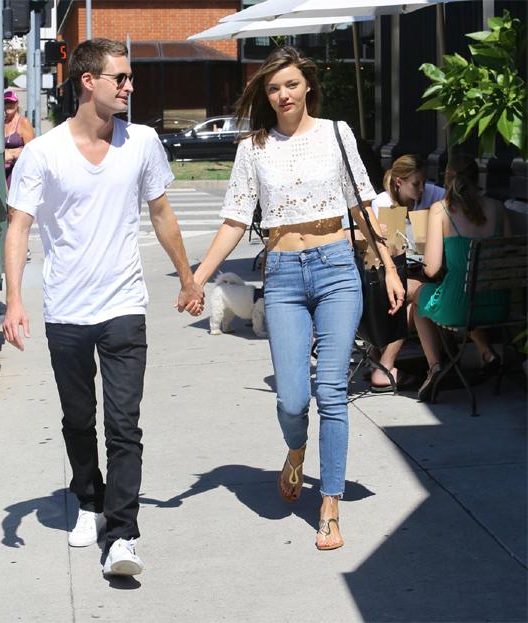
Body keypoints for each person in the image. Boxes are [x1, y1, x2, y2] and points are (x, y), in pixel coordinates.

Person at [2, 38, 204, 576]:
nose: (130, 86)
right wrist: (15, 300)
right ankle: (89, 501)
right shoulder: (44, 152)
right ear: (89, 81)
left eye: (130, 77)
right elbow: (18, 227)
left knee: (123, 425)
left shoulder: (142, 142)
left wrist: (187, 278)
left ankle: (122, 536)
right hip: (66, 309)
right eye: (122, 77)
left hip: (123, 306)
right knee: (77, 419)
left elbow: (161, 214)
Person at [193, 46, 404, 550]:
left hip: (336, 270)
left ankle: (329, 503)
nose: (283, 94)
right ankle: (295, 449)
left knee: (330, 391)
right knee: (292, 399)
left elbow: (362, 203)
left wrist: (391, 266)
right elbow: (235, 219)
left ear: (307, 84)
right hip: (285, 275)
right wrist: (197, 278)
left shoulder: (336, 133)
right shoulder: (253, 147)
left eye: (291, 84)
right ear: (265, 95)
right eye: (273, 88)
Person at [412, 154, 510, 401]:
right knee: (466, 294)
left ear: (447, 178)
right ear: (478, 178)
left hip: (459, 306)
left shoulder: (441, 210)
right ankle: (486, 351)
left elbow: (431, 269)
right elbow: (508, 255)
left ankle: (435, 367)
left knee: (418, 295)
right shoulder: (498, 208)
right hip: (498, 306)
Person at [369, 155, 445, 392]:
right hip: (389, 276)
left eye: (424, 182)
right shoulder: (383, 203)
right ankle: (392, 366)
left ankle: (390, 365)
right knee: (420, 293)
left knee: (417, 299)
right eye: (416, 183)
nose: (422, 189)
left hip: (424, 271)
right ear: (399, 182)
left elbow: (452, 206)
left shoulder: (432, 195)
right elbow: (385, 252)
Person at [4, 90, 35, 189]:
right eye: (6, 102)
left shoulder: (23, 122)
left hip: (19, 173)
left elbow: (33, 151)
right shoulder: (1, 123)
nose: (8, 105)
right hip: (2, 172)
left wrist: (13, 153)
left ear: (17, 104)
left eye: (11, 102)